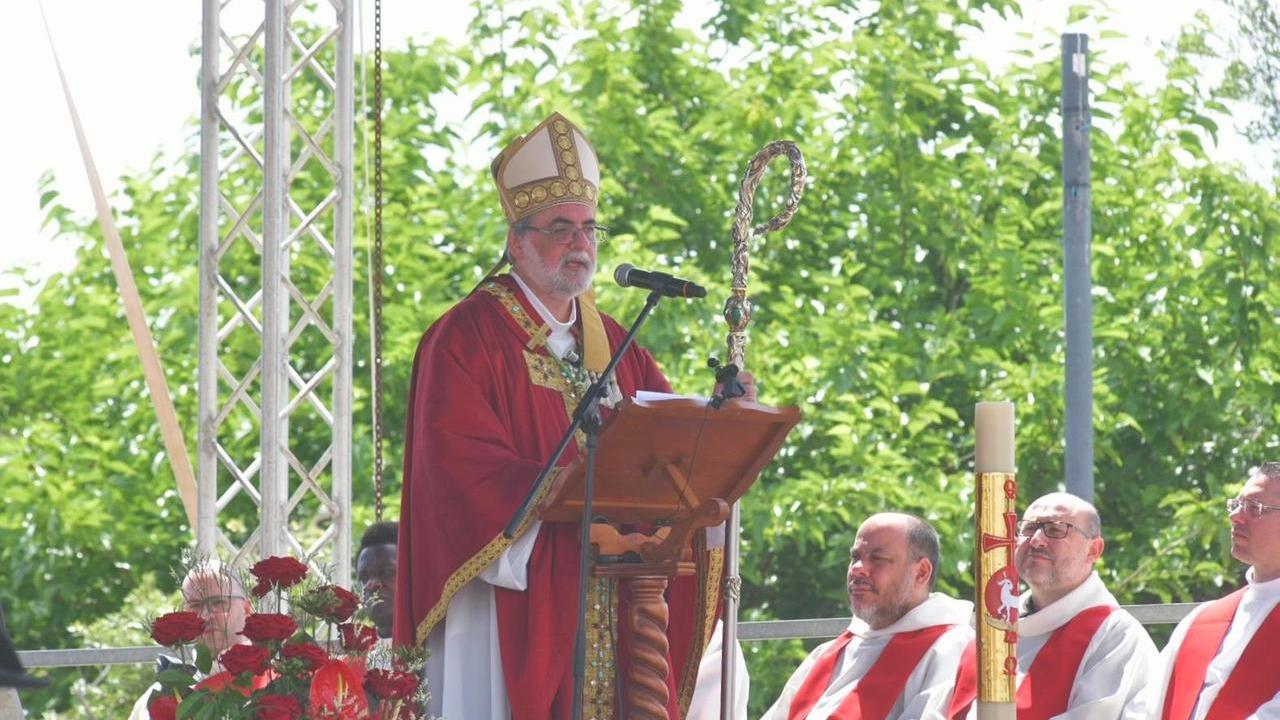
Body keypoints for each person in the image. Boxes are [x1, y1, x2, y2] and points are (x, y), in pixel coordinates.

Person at [394, 111, 744, 719]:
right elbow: (455, 476)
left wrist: (723, 426)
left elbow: (671, 452)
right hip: (517, 603)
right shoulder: (465, 338)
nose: (580, 243)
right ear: (516, 241)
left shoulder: (615, 341)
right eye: (561, 228)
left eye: (588, 228)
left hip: (623, 597)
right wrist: (563, 486)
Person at [954, 492, 1158, 720]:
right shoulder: (994, 630)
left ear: (1093, 550)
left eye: (1055, 529)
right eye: (1029, 528)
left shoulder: (1116, 637)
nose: (1036, 540)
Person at [760, 513, 974, 720]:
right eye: (855, 557)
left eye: (878, 559)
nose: (857, 569)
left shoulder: (951, 648)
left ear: (921, 572)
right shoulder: (828, 653)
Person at [1148, 462, 1280, 720]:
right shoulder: (1201, 620)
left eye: (1254, 508)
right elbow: (1146, 706)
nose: (1235, 517)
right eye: (1236, 505)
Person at [127, 563, 258, 719]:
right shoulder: (160, 697)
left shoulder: (276, 681)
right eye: (195, 606)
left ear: (247, 609)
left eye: (218, 603)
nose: (205, 615)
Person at [357, 521, 398, 640]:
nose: (371, 584)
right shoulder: (352, 655)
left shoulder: (444, 649)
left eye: (386, 573)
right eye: (364, 577)